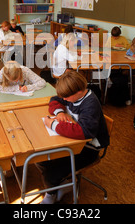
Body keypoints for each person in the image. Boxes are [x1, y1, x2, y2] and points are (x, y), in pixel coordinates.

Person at [38, 70, 110, 204]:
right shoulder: (72, 94)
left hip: (88, 149)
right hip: (72, 142)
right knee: (40, 158)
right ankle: (63, 183)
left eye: (66, 98)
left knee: (51, 170)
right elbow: (55, 99)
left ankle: (51, 194)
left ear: (78, 92)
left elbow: (84, 132)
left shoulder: (90, 104)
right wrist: (59, 112)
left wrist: (53, 124)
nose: (64, 100)